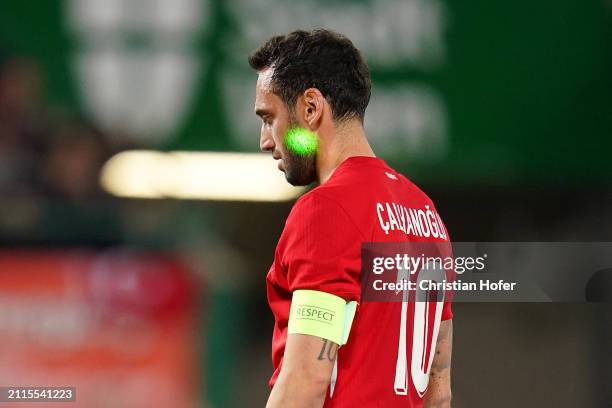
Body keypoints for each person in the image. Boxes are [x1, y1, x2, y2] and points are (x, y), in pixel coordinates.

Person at [249, 29, 453, 408]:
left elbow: (308, 379)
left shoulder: (325, 210)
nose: (265, 139)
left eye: (269, 117)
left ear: (311, 108)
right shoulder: (426, 214)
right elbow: (439, 390)